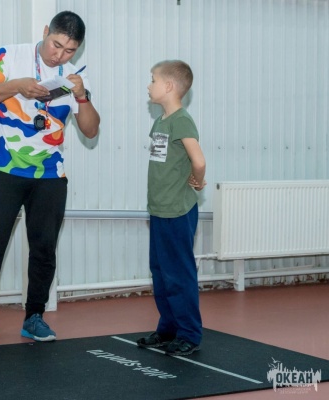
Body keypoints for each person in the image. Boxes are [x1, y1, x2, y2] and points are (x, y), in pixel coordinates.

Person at [0, 11, 100, 347]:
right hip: (2, 169)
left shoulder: (75, 76)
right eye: (56, 45)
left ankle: (35, 317)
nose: (59, 55)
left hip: (50, 175)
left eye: (69, 50)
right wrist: (16, 86)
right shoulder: (9, 55)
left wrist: (82, 96)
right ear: (46, 31)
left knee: (44, 249)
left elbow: (91, 130)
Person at [137, 60, 206, 356]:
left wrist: (197, 180)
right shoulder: (161, 122)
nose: (148, 85)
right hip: (160, 209)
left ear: (168, 86)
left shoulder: (181, 120)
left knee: (179, 274)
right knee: (161, 272)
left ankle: (189, 333)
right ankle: (168, 329)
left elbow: (198, 160)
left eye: (153, 80)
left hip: (178, 210)